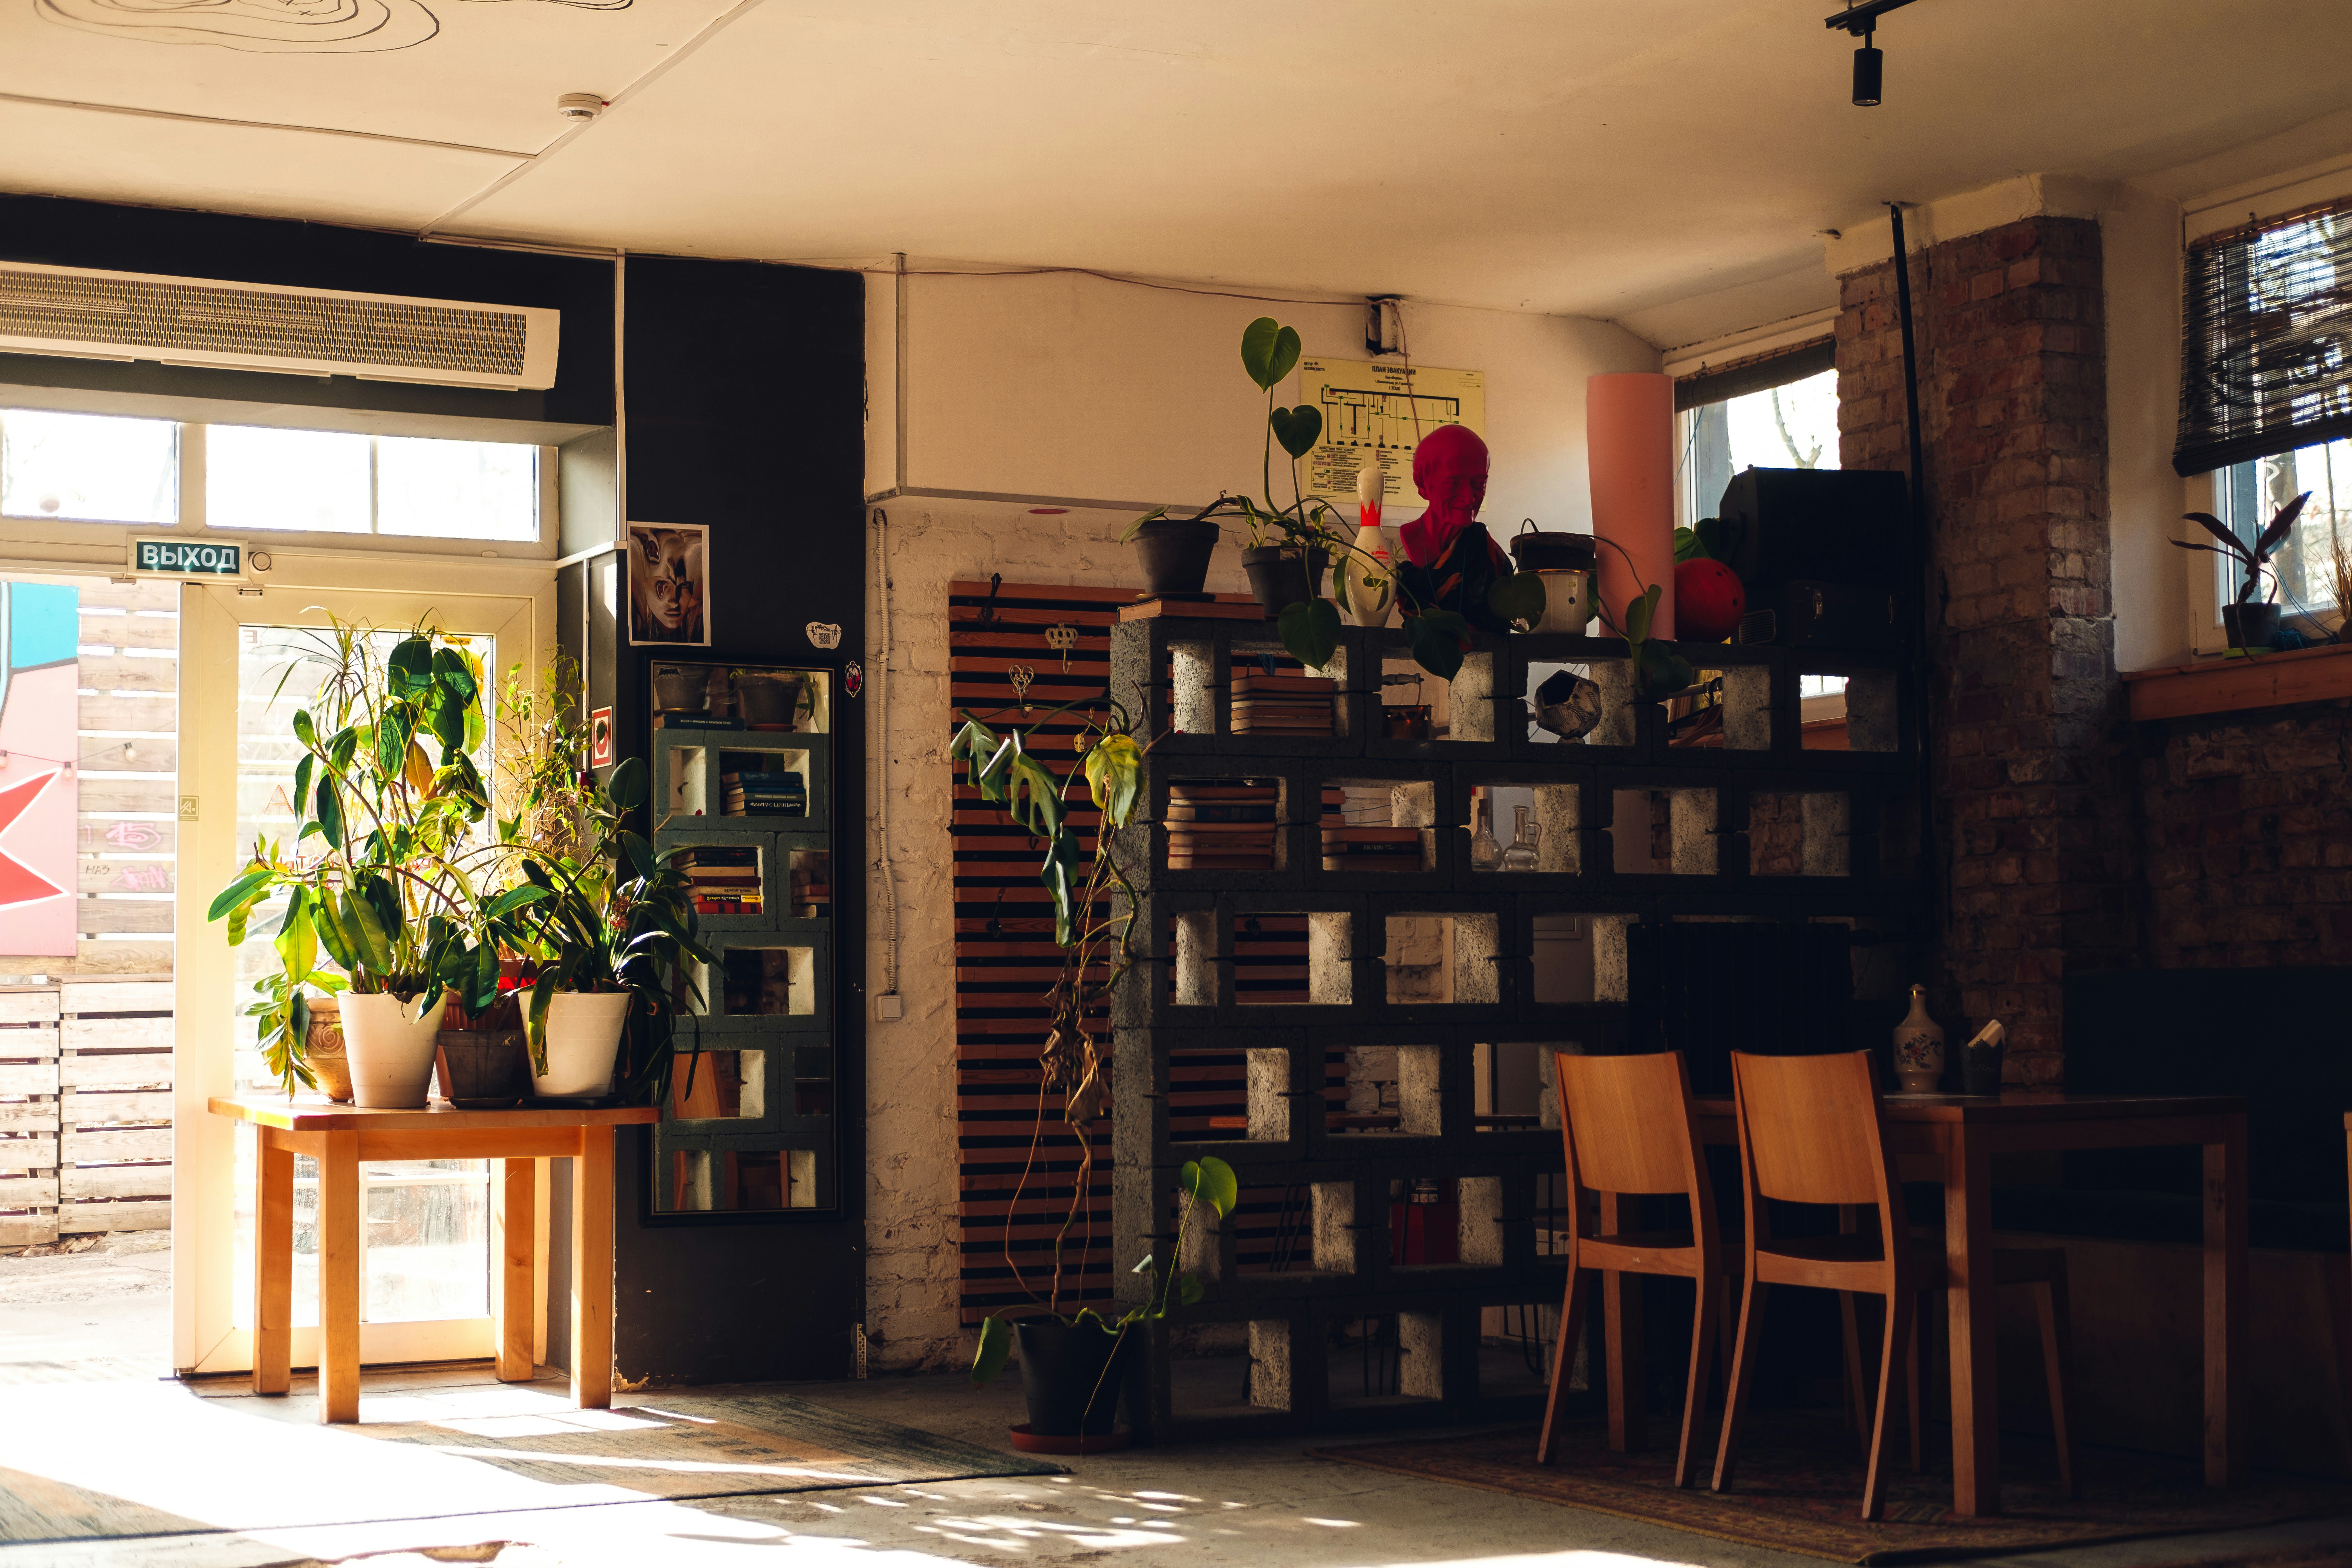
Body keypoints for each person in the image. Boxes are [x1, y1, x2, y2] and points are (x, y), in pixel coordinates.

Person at [1395, 424, 1517, 635]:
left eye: (1479, 484)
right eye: (1453, 483)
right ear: (1422, 484)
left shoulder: (1489, 555)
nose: (1469, 498)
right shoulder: (1410, 544)